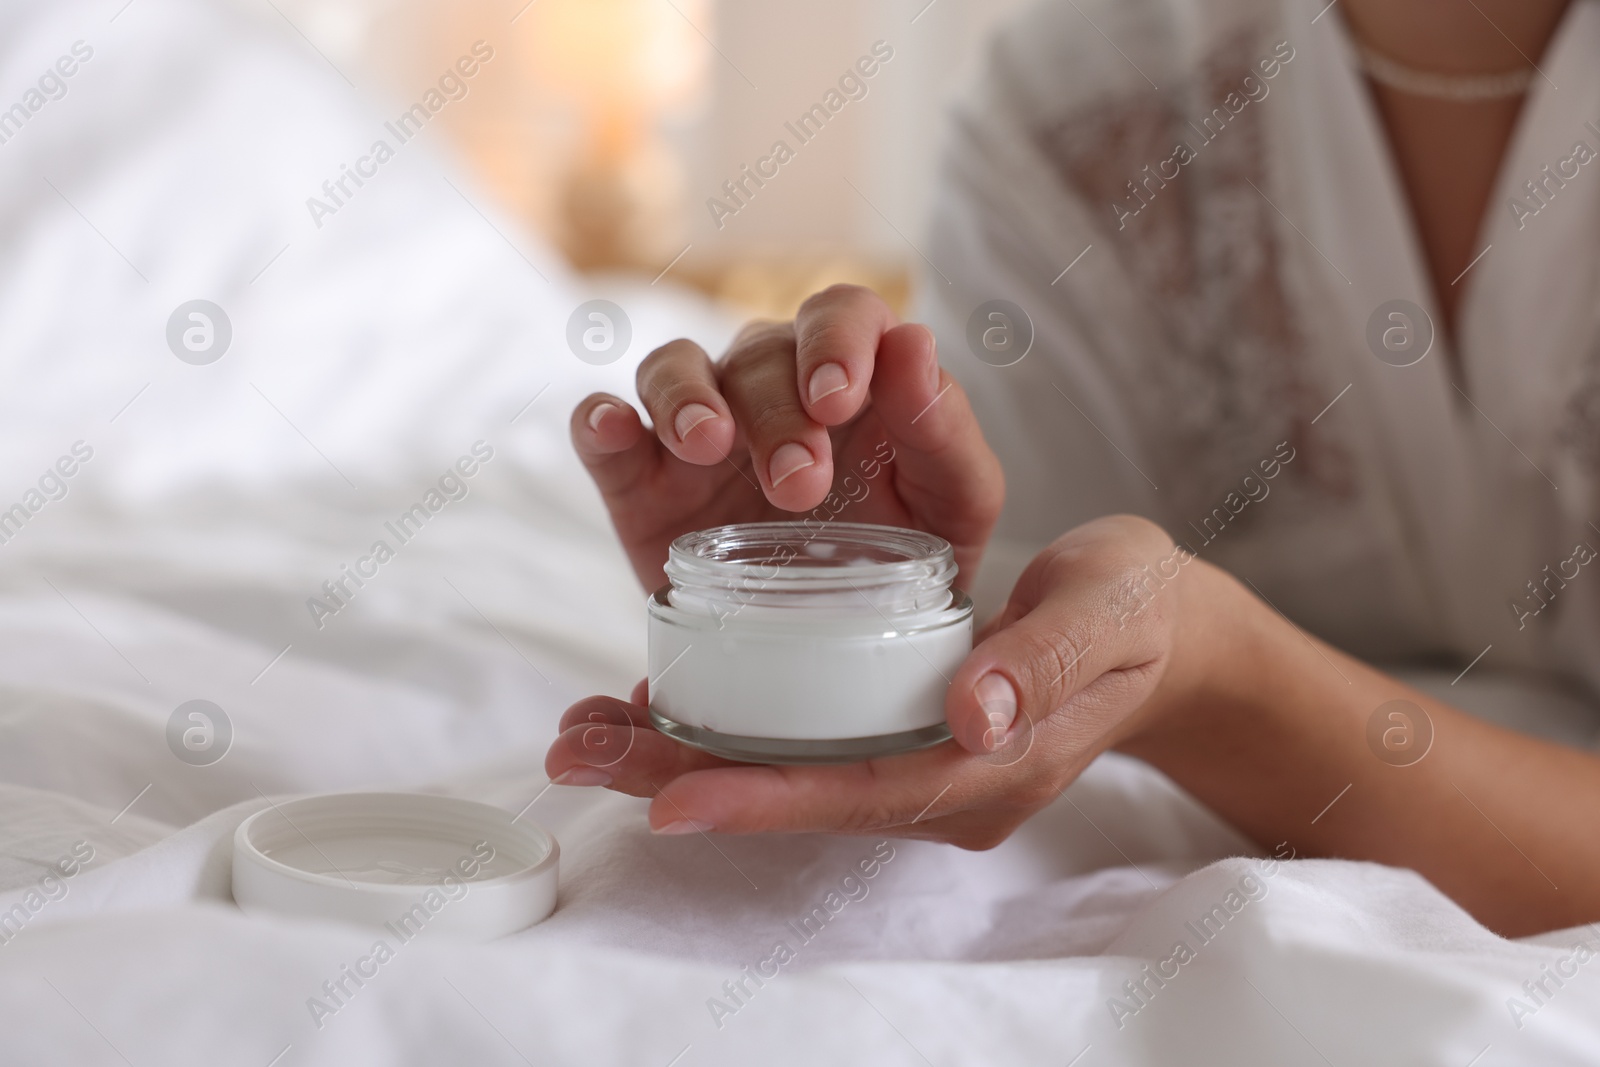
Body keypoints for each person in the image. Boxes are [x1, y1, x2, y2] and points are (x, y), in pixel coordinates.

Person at [545, 0, 1600, 938]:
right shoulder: (1068, 112)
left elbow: (1170, 656)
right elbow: (1051, 627)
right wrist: (859, 566)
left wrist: (1228, 686)